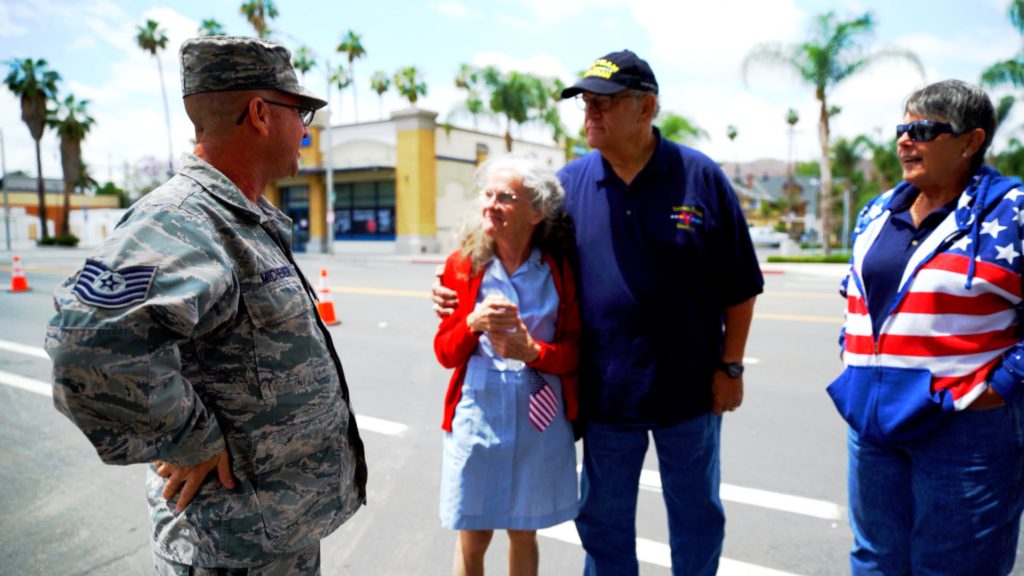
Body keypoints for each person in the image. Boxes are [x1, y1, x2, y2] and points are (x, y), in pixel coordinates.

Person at [44, 36, 366, 575]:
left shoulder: (241, 217)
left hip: (274, 534)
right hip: (228, 549)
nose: (305, 129)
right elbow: (85, 348)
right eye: (300, 112)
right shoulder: (183, 218)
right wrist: (191, 439)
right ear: (261, 114)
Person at [435, 50, 763, 576]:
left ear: (646, 107)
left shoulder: (699, 178)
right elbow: (506, 245)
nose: (591, 113)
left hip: (691, 393)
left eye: (605, 103)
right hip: (606, 395)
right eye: (587, 103)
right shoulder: (569, 187)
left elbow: (741, 286)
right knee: (605, 525)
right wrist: (449, 286)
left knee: (697, 516)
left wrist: (731, 366)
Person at [829, 79, 1024, 575]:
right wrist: (854, 368)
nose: (903, 140)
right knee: (876, 561)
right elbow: (855, 298)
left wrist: (998, 388)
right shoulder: (878, 210)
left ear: (970, 141)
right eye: (902, 128)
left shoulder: (1012, 211)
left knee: (953, 566)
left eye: (921, 129)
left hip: (965, 425)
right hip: (873, 424)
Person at [434, 156, 581, 576]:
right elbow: (444, 352)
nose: (491, 205)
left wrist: (532, 351)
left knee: (523, 530)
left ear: (536, 212)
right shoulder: (463, 266)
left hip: (539, 418)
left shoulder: (557, 270)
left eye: (506, 197)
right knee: (473, 534)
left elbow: (574, 352)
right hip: (477, 413)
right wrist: (473, 323)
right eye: (488, 194)